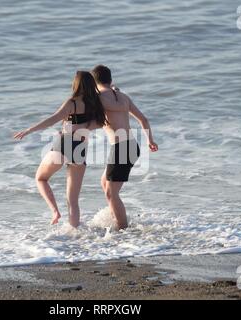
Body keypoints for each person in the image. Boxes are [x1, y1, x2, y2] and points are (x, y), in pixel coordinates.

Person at [13, 71, 107, 227]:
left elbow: (52, 119)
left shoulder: (72, 103)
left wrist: (30, 129)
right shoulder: (95, 104)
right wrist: (85, 126)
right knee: (73, 201)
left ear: (76, 84)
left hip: (65, 144)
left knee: (40, 178)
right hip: (80, 149)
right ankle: (75, 233)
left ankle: (55, 211)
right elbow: (102, 123)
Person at [91, 65, 158, 230]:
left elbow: (91, 119)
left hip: (121, 148)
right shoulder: (123, 97)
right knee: (104, 183)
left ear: (94, 82)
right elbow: (143, 120)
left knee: (111, 193)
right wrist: (150, 140)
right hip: (131, 146)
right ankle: (116, 218)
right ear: (110, 79)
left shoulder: (98, 97)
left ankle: (122, 229)